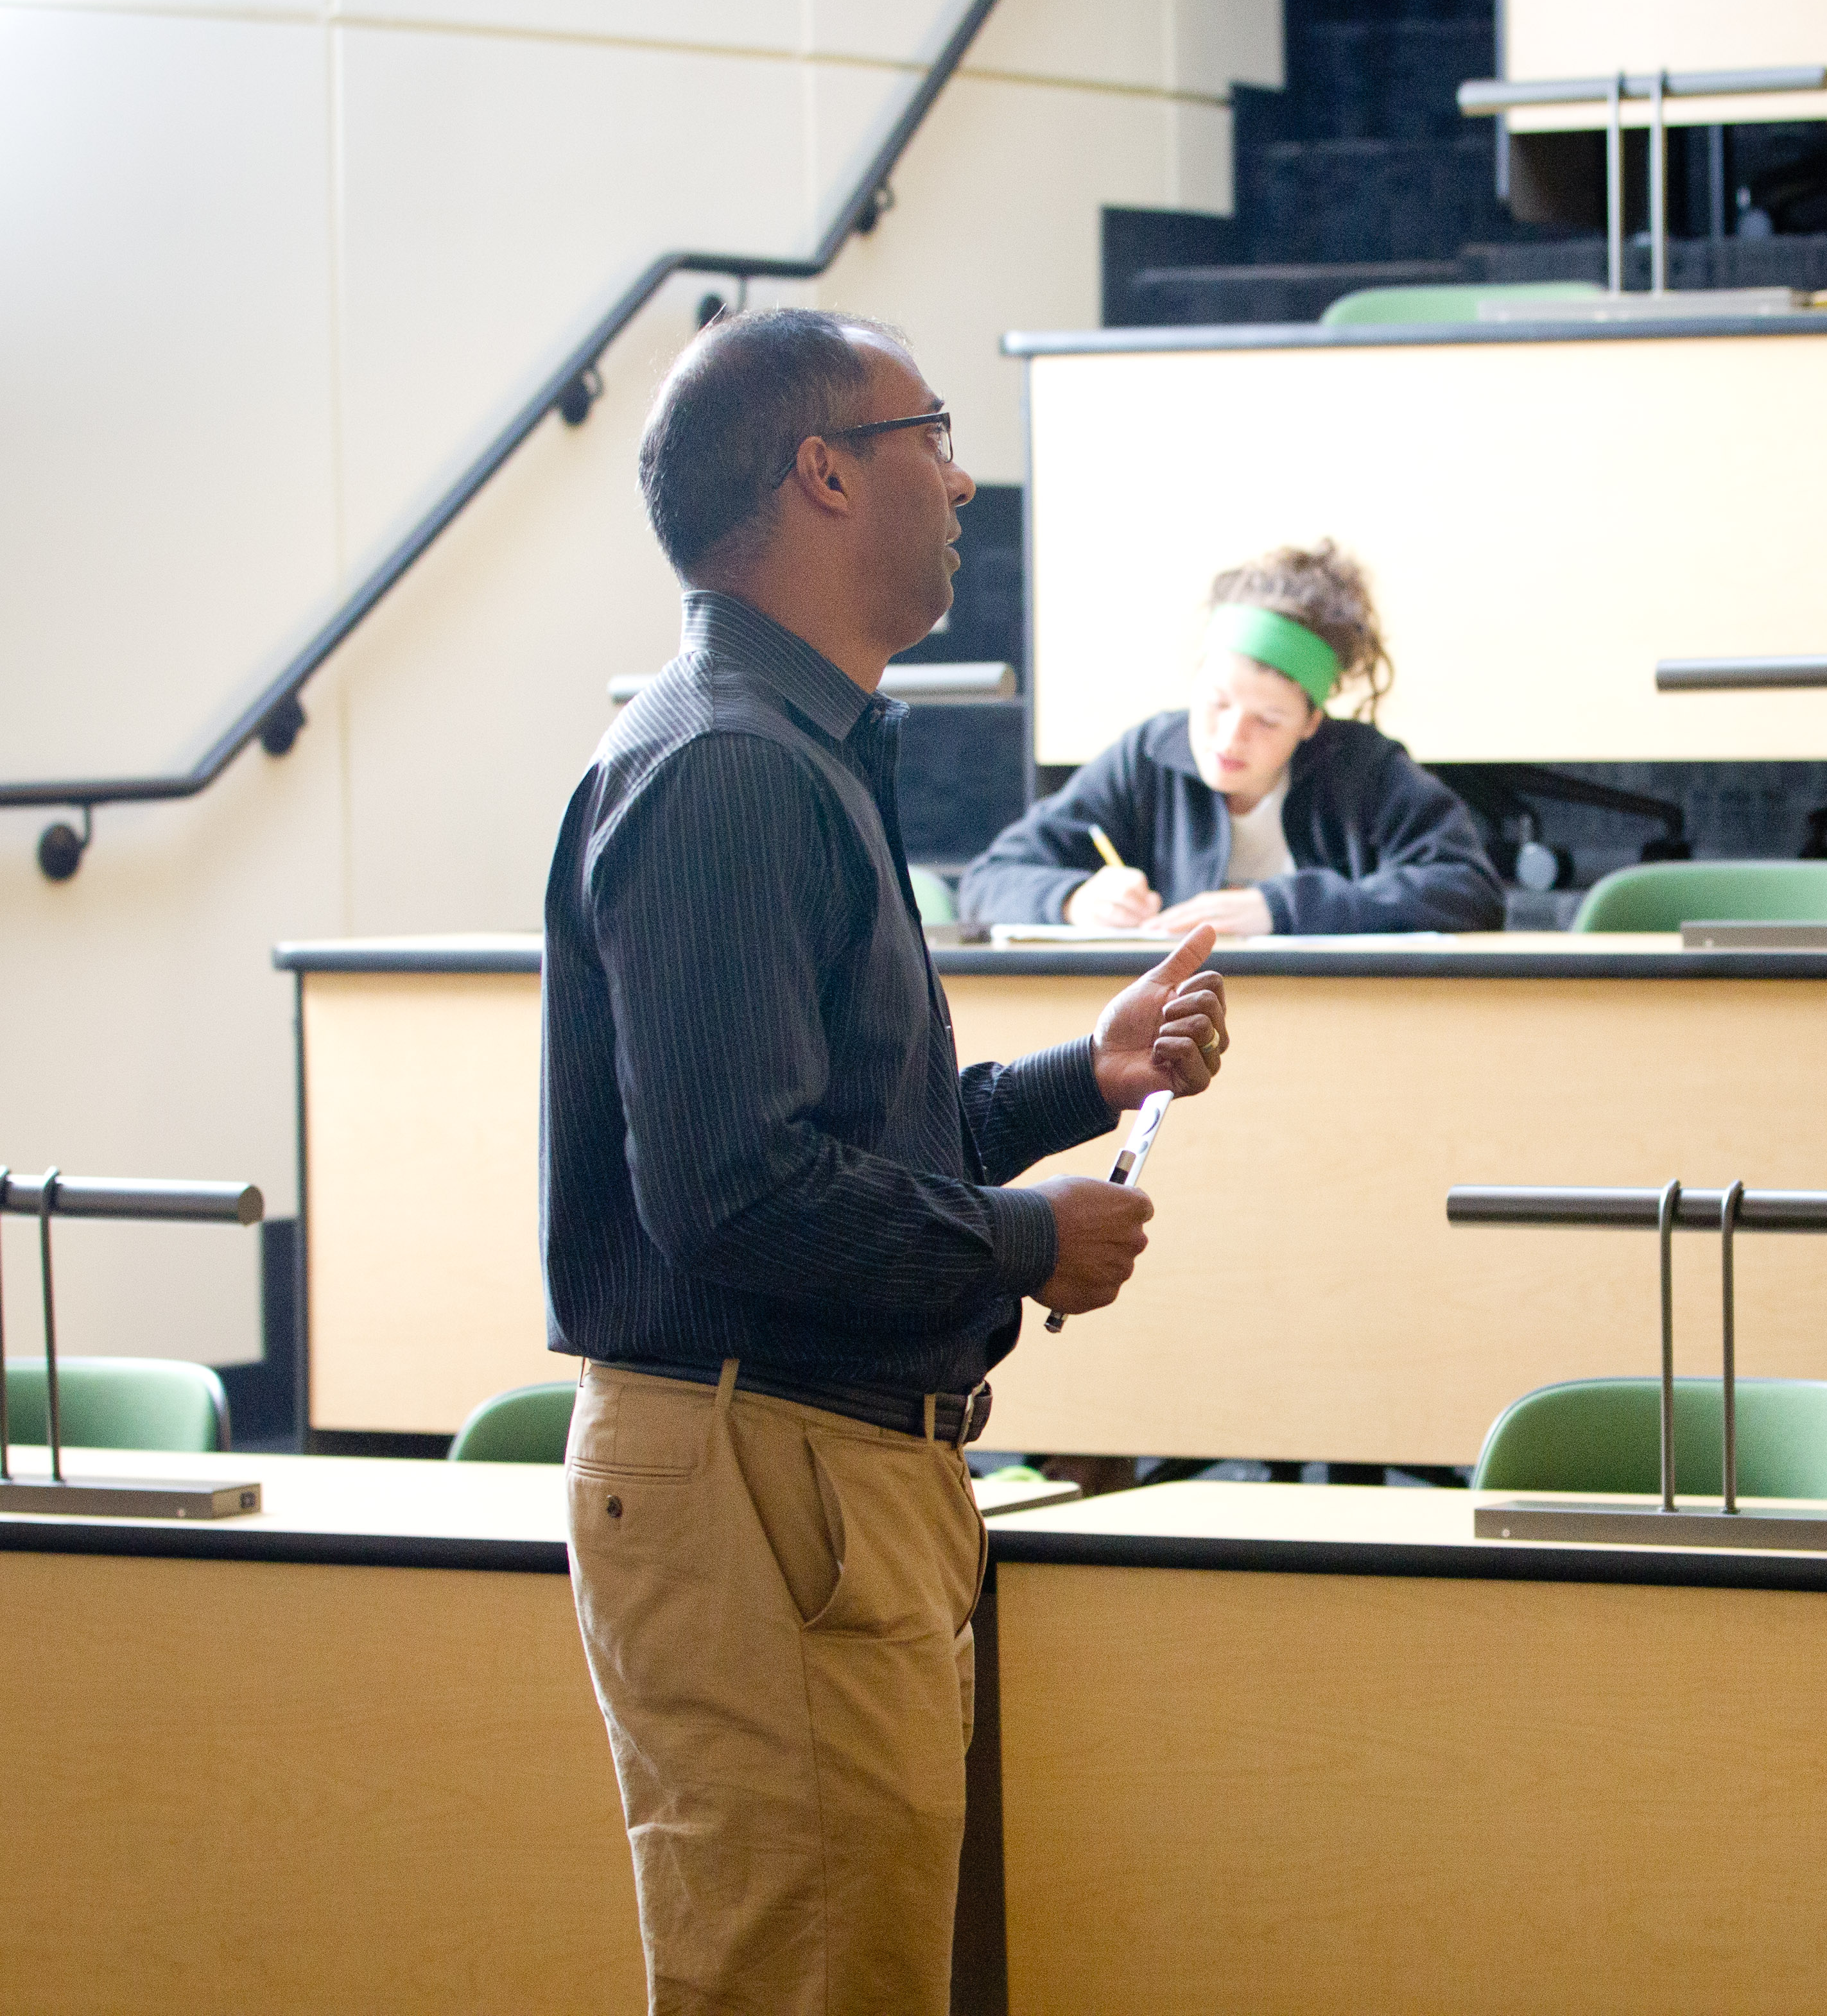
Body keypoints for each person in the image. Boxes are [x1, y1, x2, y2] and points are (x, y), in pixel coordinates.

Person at [543, 306, 1231, 2011]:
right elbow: (732, 1196)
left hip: (809, 1473)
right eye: (933, 434)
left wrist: (1086, 1079)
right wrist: (1021, 1242)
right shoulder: (728, 768)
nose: (963, 478)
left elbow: (846, 1142)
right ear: (825, 475)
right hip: (766, 1471)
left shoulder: (791, 747)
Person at [958, 540, 1502, 935]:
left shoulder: (1363, 767)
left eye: (1268, 720)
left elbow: (1470, 891)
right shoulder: (1148, 758)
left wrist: (1280, 908)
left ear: (1311, 723)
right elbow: (987, 882)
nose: (1230, 737)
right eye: (1216, 703)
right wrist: (1073, 900)